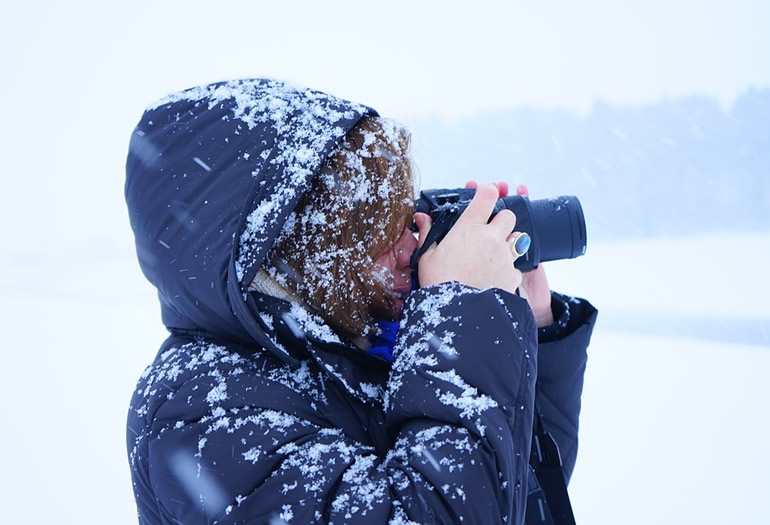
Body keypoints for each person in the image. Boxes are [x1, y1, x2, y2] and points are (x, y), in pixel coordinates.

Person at [125, 78, 597, 524]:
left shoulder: (353, 348)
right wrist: (464, 314)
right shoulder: (201, 414)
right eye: (377, 232)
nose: (412, 246)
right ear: (297, 253)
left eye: (406, 216)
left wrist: (523, 327)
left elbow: (511, 497)